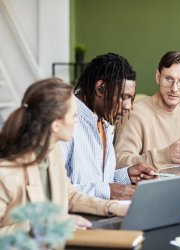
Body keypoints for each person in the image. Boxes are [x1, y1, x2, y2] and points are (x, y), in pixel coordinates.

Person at [0, 78, 128, 234]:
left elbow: (69, 195)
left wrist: (112, 207)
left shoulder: (52, 154)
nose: (77, 121)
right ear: (56, 124)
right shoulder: (6, 175)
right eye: (74, 115)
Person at [59, 53, 156, 200]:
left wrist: (126, 176)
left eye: (131, 98)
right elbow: (54, 189)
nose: (129, 106)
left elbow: (97, 181)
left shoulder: (103, 121)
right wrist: (108, 190)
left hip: (101, 213)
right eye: (124, 97)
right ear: (101, 88)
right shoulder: (63, 121)